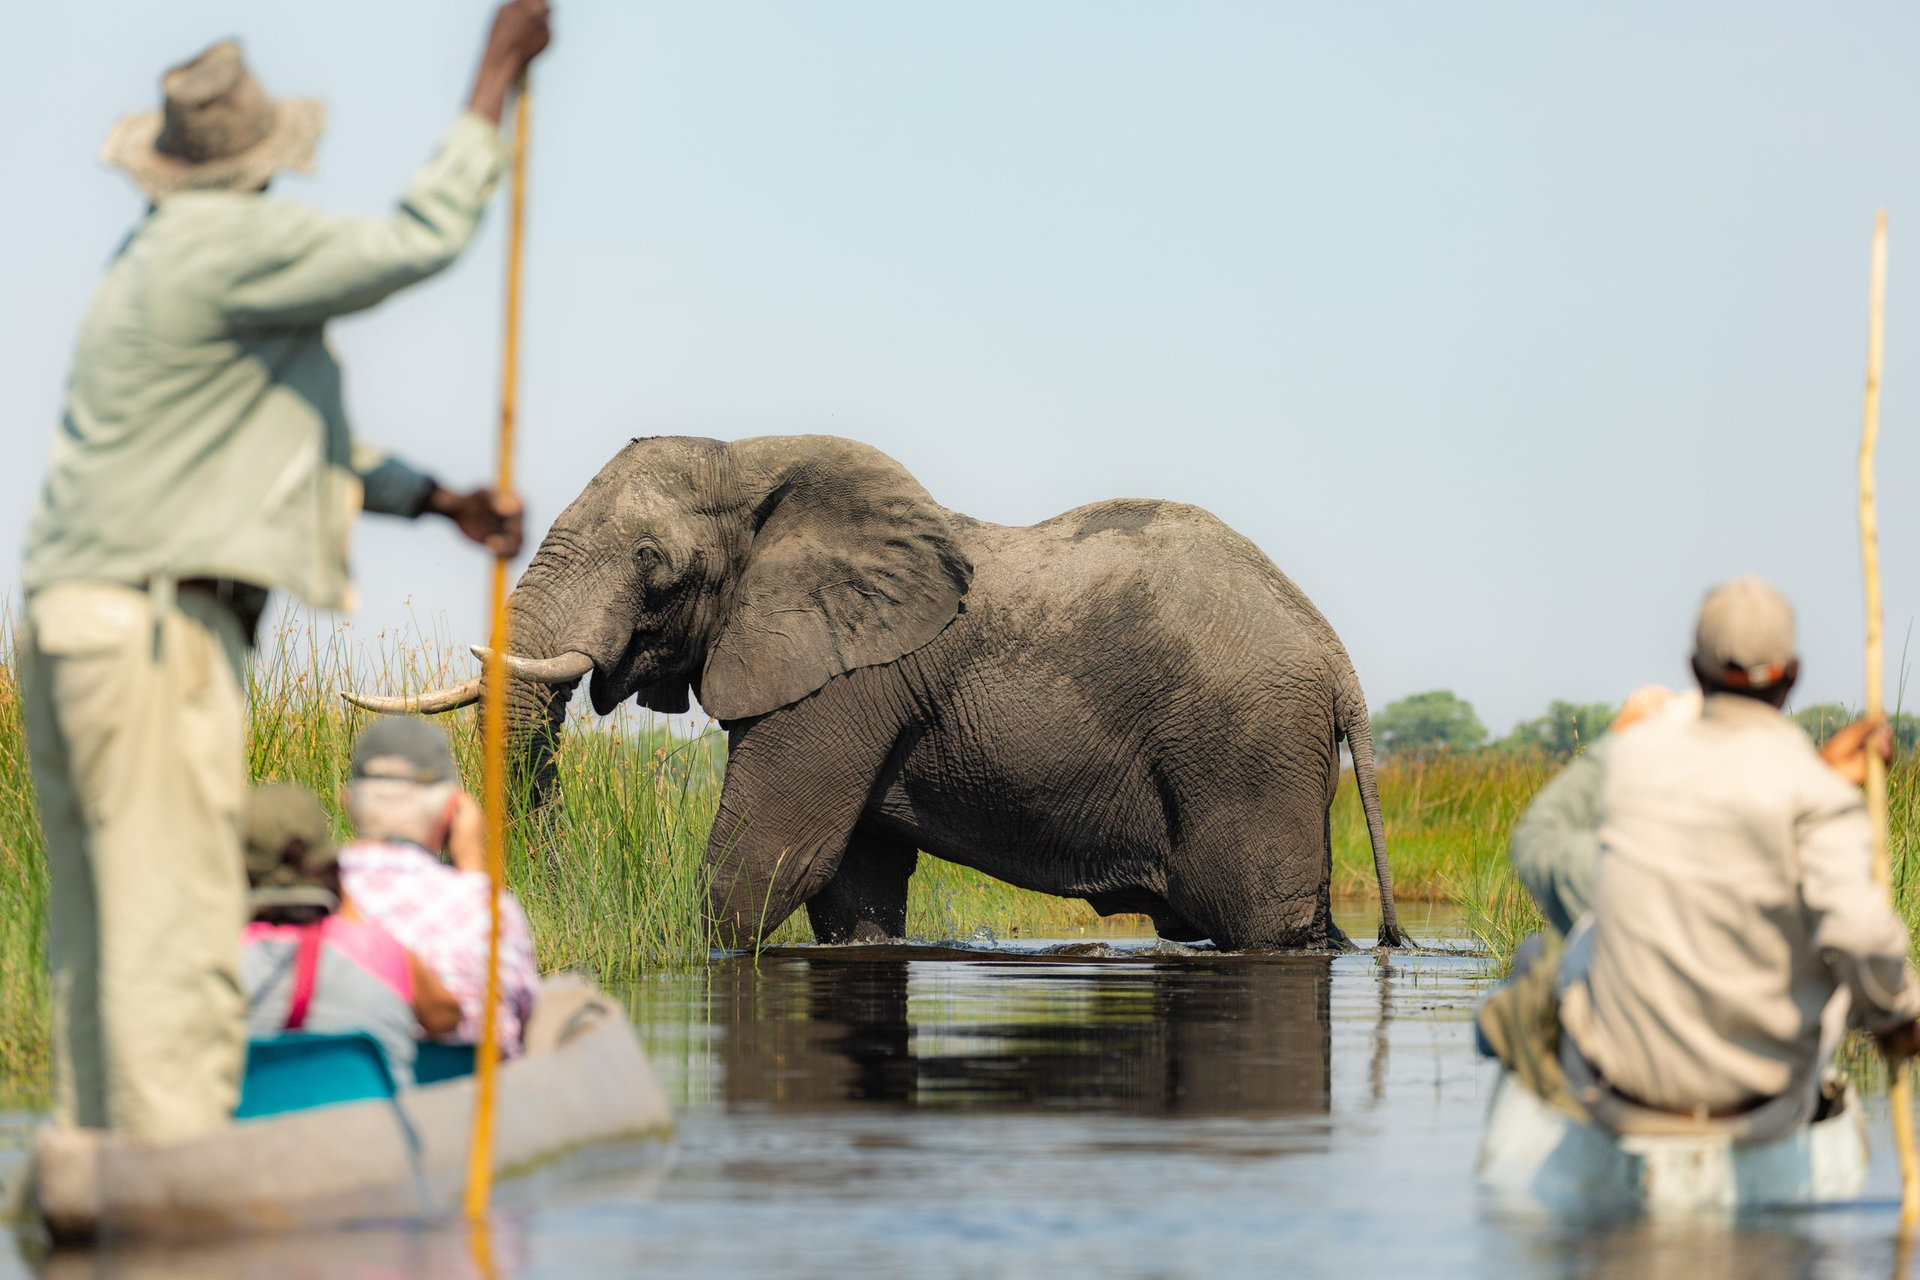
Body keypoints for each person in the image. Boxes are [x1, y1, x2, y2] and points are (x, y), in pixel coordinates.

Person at [18, 1, 551, 1139]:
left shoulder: (156, 261)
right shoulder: (231, 241)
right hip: (160, 632)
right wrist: (493, 76)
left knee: (100, 939)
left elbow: (306, 443)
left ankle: (98, 1166)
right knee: (174, 928)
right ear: (256, 166)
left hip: (70, 619)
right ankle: (180, 1194)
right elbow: (420, 239)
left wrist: (434, 498)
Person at [1483, 577, 1920, 1137]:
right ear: (1792, 676)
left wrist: (1629, 731)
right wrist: (1897, 1017)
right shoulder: (1818, 796)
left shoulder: (1633, 761)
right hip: (1761, 1113)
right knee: (1826, 966)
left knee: (1537, 958)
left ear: (1694, 669)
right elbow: (1859, 935)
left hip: (1621, 1101)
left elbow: (1540, 840)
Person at [338, 715, 540, 1056]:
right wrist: (477, 874)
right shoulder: (486, 909)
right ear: (453, 811)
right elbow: (510, 1029)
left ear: (348, 805)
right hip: (461, 1099)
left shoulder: (309, 896)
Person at [240, 783, 461, 1087]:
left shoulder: (217, 964)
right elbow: (448, 1017)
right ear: (327, 862)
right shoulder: (381, 951)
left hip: (253, 1132)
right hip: (373, 1131)